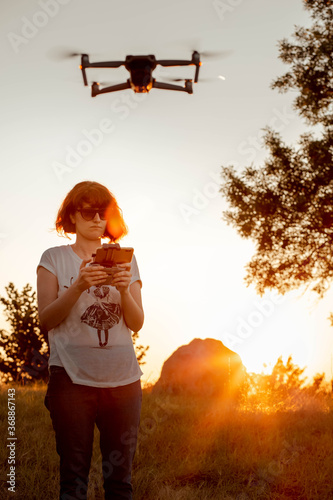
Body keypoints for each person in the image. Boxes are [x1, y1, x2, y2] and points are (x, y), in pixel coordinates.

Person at [37, 181, 144, 500]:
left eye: (103, 212)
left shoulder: (127, 260)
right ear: (72, 215)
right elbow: (46, 320)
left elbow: (137, 323)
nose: (97, 218)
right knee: (73, 480)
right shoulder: (53, 258)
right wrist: (79, 285)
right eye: (88, 211)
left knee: (120, 482)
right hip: (70, 379)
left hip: (124, 382)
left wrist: (124, 290)